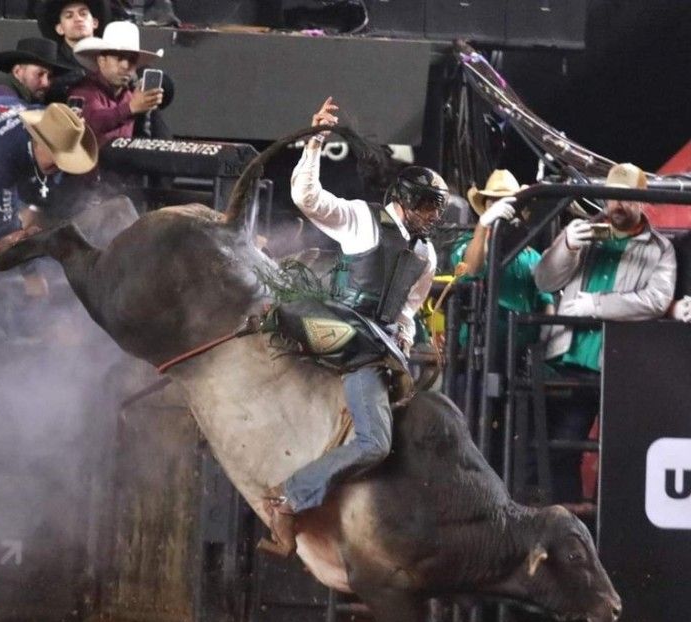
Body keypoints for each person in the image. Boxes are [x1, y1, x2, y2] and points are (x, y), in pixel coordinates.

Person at [263, 96, 449, 555]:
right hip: (347, 334)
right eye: (426, 204)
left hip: (379, 342)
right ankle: (289, 498)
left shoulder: (426, 255)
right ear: (404, 203)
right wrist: (315, 141)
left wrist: (405, 337)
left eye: (436, 206)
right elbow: (307, 198)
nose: (432, 214)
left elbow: (408, 307)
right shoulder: (361, 219)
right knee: (374, 444)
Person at [534, 162, 676, 504]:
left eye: (626, 198)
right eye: (612, 198)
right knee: (553, 448)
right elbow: (544, 280)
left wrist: (595, 305)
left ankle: (590, 527)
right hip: (564, 357)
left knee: (614, 451)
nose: (617, 206)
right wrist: (566, 246)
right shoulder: (584, 231)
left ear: (643, 202)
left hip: (617, 365)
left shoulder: (658, 248)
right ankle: (563, 526)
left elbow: (655, 301)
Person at [0, 96, 98, 238]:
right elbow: (7, 228)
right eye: (55, 157)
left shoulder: (56, 124)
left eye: (64, 159)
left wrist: (35, 209)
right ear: (38, 142)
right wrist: (13, 232)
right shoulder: (6, 155)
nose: (59, 165)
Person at [452, 168, 554, 355]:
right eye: (494, 202)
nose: (500, 207)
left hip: (521, 356)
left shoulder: (532, 256)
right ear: (485, 208)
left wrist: (546, 339)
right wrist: (484, 225)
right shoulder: (468, 243)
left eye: (506, 201)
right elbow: (472, 268)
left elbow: (545, 299)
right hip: (477, 354)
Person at [68, 20, 163, 147]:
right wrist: (131, 108)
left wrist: (146, 110)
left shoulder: (130, 96)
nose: (126, 65)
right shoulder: (83, 90)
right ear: (101, 61)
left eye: (132, 60)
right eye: (119, 58)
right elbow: (91, 124)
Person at [35, 0, 110, 103]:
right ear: (60, 28)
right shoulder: (51, 63)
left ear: (95, 23)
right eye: (69, 16)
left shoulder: (112, 58)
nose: (78, 19)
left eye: (83, 14)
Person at [0, 37, 73, 104]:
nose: (46, 83)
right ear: (17, 72)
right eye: (39, 74)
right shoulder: (0, 95)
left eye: (50, 77)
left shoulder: (34, 99)